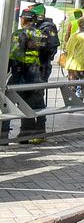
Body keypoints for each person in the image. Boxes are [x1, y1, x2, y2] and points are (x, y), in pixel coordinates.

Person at [2, 9, 47, 142]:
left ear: (23, 19)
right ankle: (33, 134)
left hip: (18, 74)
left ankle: (3, 136)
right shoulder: (40, 34)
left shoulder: (16, 34)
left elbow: (9, 55)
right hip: (35, 74)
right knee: (37, 106)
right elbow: (46, 55)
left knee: (7, 105)